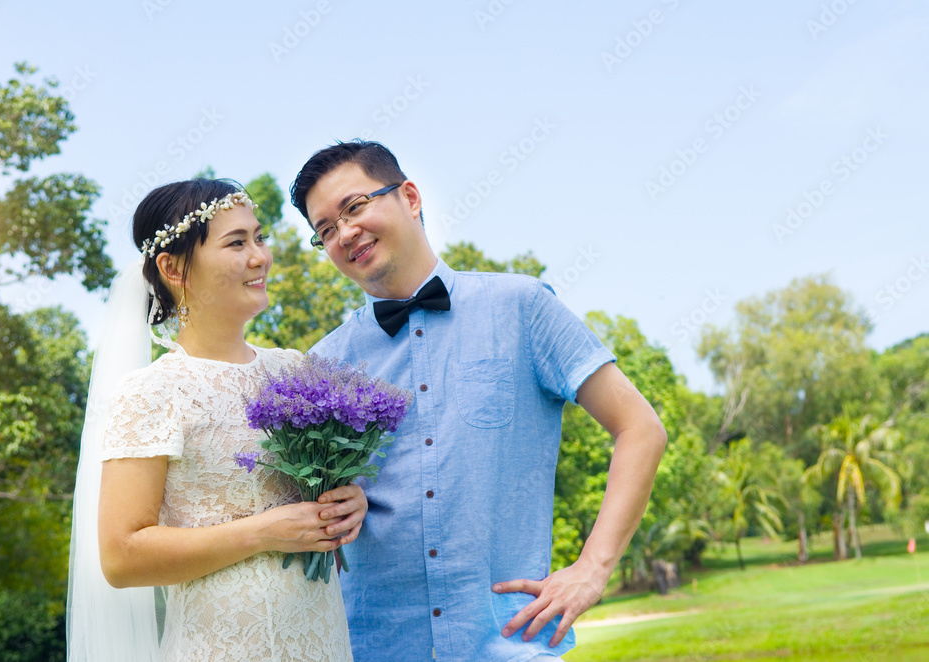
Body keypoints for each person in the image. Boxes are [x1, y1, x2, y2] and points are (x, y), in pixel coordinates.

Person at [290, 141, 668, 662]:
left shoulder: (524, 307)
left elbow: (641, 428)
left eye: (354, 207)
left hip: (509, 643)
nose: (344, 234)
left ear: (410, 196)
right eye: (325, 230)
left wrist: (592, 570)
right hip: (374, 647)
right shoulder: (321, 366)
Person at [66, 179, 363, 661]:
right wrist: (264, 533)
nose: (260, 256)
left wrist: (347, 503)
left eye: (259, 238)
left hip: (321, 641)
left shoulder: (294, 371)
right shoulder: (151, 392)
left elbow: (316, 495)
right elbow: (121, 557)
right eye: (236, 242)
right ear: (174, 268)